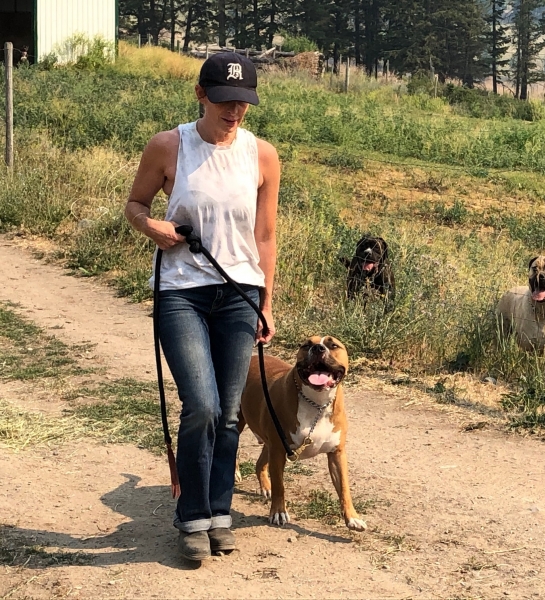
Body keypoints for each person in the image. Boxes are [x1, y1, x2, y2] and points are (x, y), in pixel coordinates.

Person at [124, 52, 280, 562]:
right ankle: (191, 516)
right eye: (223, 101)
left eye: (243, 102)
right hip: (182, 293)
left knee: (231, 414)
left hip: (239, 296)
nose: (234, 111)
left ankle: (219, 512)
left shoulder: (262, 156)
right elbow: (136, 205)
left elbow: (265, 235)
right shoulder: (169, 145)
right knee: (203, 405)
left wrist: (265, 303)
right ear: (200, 94)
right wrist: (155, 228)